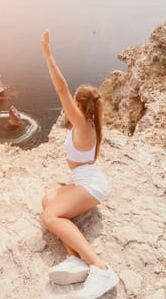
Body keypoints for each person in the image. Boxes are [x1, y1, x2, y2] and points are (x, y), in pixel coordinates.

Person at [40, 29, 118, 299]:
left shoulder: (83, 125)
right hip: (85, 180)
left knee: (50, 217)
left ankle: (100, 267)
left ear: (78, 104)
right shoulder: (90, 124)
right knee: (48, 199)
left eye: (73, 100)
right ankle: (74, 260)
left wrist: (48, 54)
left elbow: (60, 88)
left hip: (91, 186)